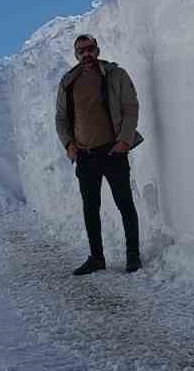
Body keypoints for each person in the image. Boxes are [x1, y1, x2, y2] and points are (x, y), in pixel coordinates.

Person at [55, 33, 144, 275]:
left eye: (90, 49)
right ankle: (96, 258)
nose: (86, 54)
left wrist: (124, 140)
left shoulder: (115, 75)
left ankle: (133, 256)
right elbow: (61, 118)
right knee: (90, 208)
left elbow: (131, 107)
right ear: (75, 55)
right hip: (85, 155)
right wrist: (69, 145)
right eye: (81, 51)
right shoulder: (68, 82)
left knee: (124, 203)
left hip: (113, 151)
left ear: (97, 49)